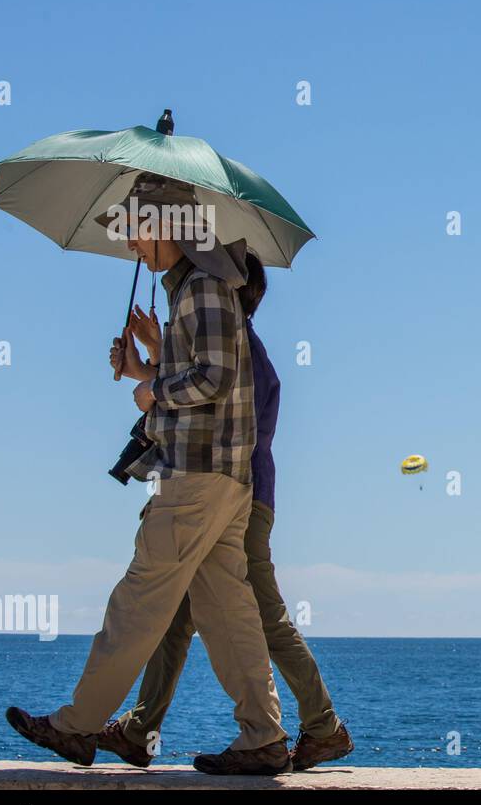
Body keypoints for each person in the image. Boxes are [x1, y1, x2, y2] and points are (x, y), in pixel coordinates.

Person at [5, 173, 290, 775]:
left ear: (166, 229)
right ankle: (264, 738)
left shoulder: (202, 289)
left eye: (137, 231)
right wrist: (146, 366)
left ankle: (77, 727)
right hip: (224, 478)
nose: (133, 245)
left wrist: (151, 388)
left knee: (137, 602)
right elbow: (211, 377)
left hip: (195, 477)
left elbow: (210, 378)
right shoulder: (203, 287)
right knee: (225, 609)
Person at [99, 251, 354, 771]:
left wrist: (147, 373)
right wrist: (153, 354)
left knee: (262, 612)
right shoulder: (244, 349)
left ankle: (323, 727)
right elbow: (193, 384)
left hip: (239, 499)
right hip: (237, 496)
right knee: (176, 616)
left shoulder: (244, 354)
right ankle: (139, 730)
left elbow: (205, 408)